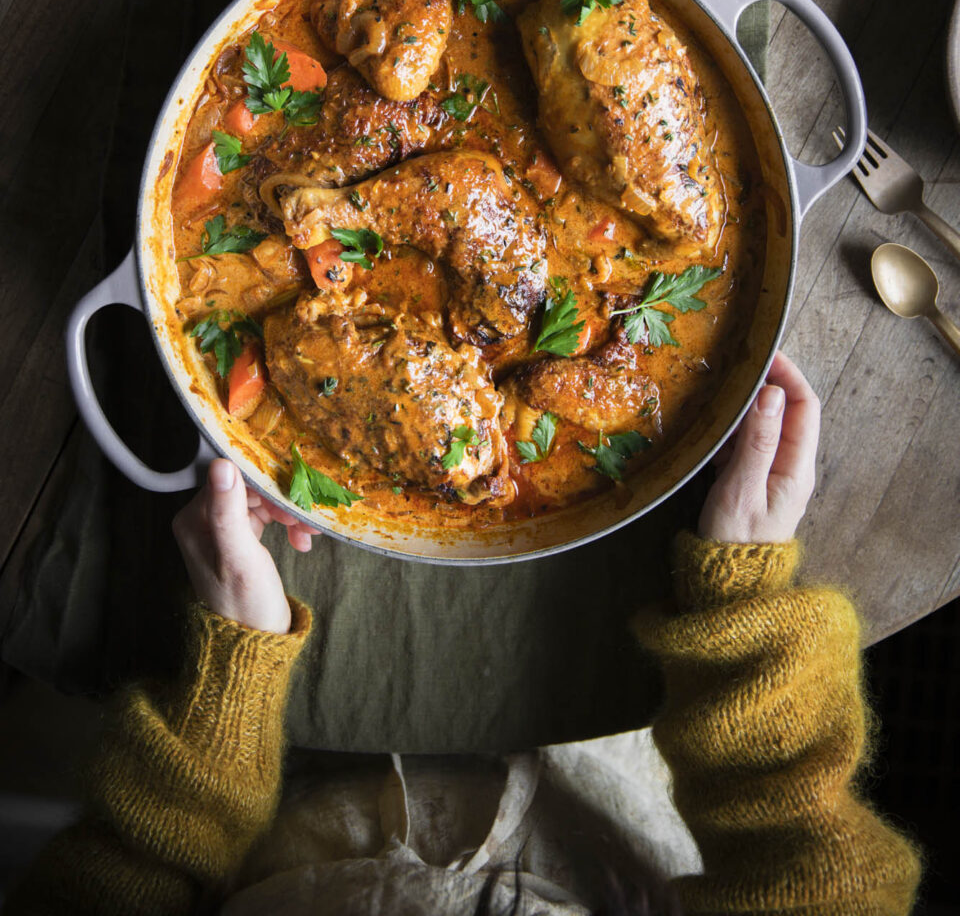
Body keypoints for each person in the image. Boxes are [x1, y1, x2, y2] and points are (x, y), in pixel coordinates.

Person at [5, 352, 923, 914]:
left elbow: (104, 890)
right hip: (631, 771)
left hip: (269, 800)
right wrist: (743, 617)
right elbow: (823, 887)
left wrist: (225, 705)